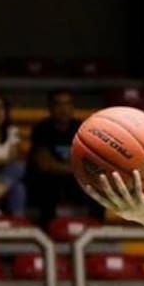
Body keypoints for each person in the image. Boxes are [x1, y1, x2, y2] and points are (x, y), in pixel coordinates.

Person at [27, 88, 94, 227]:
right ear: (50, 107)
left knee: (97, 185)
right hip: (49, 181)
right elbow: (45, 165)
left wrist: (64, 167)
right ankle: (48, 229)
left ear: (73, 107)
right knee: (46, 185)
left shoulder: (82, 128)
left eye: (67, 104)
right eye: (58, 104)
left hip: (74, 181)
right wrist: (75, 168)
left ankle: (96, 228)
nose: (63, 109)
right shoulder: (41, 129)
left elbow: (89, 163)